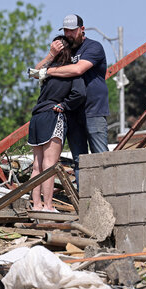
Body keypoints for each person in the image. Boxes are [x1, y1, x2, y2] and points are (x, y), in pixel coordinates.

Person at [35, 14, 109, 187]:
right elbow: (35, 72)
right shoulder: (64, 51)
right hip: (71, 112)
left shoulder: (94, 47)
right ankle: (85, 200)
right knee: (79, 160)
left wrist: (50, 72)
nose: (68, 34)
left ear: (82, 30)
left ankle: (107, 198)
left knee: (101, 156)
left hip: (93, 110)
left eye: (72, 30)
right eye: (66, 30)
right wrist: (51, 55)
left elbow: (78, 69)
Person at [27, 35, 86, 212]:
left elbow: (34, 72)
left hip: (36, 117)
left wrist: (50, 55)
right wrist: (65, 105)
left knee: (37, 166)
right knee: (50, 165)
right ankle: (49, 206)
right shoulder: (70, 71)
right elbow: (80, 94)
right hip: (53, 115)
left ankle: (36, 205)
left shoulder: (48, 70)